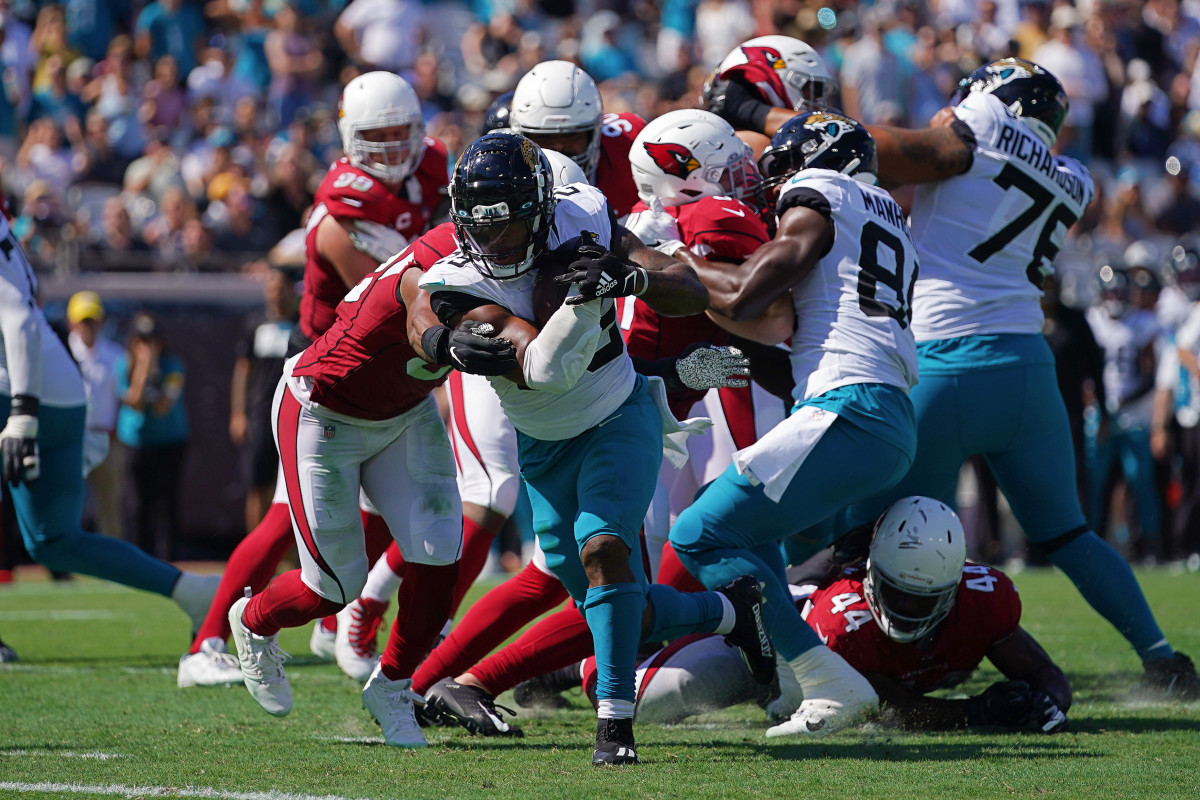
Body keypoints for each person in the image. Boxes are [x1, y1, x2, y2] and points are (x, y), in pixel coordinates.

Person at [836, 58, 1197, 696]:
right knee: (1069, 532)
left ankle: (865, 668)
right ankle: (1162, 658)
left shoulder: (977, 124)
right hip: (1028, 369)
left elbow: (889, 151)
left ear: (995, 97)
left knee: (864, 529)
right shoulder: (1075, 177)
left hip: (945, 361)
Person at [417, 132, 774, 766]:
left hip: (620, 413)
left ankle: (614, 729)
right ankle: (729, 611)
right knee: (612, 612)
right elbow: (541, 368)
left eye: (513, 225)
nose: (497, 244)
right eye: (484, 228)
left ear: (545, 209)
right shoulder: (455, 276)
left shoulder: (583, 216)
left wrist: (632, 275)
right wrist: (444, 344)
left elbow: (688, 287)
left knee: (606, 548)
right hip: (545, 443)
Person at [176, 71, 450, 690]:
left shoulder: (431, 165)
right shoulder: (341, 207)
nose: (389, 148)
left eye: (400, 134)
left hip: (385, 371)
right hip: (328, 372)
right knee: (281, 520)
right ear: (351, 139)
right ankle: (209, 641)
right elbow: (396, 296)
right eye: (374, 136)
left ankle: (331, 625)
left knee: (382, 504)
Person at [667, 111, 919, 739]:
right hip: (878, 412)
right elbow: (793, 347)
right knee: (746, 530)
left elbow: (746, 294)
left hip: (850, 407)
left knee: (699, 533)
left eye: (777, 170)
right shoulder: (887, 216)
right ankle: (792, 677)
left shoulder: (825, 192)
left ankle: (825, 679)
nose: (770, 186)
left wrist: (658, 261)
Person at [225, 221, 510, 748]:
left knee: (439, 553)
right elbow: (422, 311)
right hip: (324, 411)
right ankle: (255, 617)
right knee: (333, 587)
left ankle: (393, 688)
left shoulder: (522, 258)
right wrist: (447, 341)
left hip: (405, 410)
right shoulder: (437, 262)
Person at [556, 498, 1070, 734]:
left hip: (818, 647)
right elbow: (889, 708)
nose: (910, 610)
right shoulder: (845, 621)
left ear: (955, 586)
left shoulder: (985, 601)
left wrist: (1051, 703)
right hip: (772, 650)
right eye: (898, 593)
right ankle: (568, 668)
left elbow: (1043, 671)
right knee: (654, 697)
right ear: (871, 573)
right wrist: (978, 713)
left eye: (924, 598)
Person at [0, 203, 217, 640]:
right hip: (60, 395)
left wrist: (23, 413)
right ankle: (193, 591)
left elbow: (17, 319)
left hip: (21, 392)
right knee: (54, 540)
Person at [507, 60, 646, 218]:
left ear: (596, 131)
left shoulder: (627, 144)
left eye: (571, 136)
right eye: (544, 137)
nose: (558, 147)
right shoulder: (503, 168)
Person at [116, 312, 188, 561]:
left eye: (152, 341)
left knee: (166, 504)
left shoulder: (174, 367)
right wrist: (142, 370)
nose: (147, 348)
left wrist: (154, 371)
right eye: (141, 341)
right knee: (137, 504)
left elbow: (162, 407)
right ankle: (137, 559)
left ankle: (167, 560)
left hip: (170, 442)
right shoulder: (121, 366)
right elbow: (134, 403)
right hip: (137, 442)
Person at [230, 268, 297, 533]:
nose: (275, 292)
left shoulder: (303, 324)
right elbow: (243, 370)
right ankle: (255, 546)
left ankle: (291, 557)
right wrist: (238, 413)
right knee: (257, 484)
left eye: (280, 287)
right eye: (271, 287)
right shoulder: (254, 324)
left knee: (294, 487)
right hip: (260, 415)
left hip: (293, 415)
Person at [65, 290, 124, 540]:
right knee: (66, 504)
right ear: (72, 322)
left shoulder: (116, 355)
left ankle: (113, 562)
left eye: (92, 319)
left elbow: (123, 398)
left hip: (106, 438)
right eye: (83, 320)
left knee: (110, 506)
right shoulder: (61, 352)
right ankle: (63, 565)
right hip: (69, 440)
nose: (88, 326)